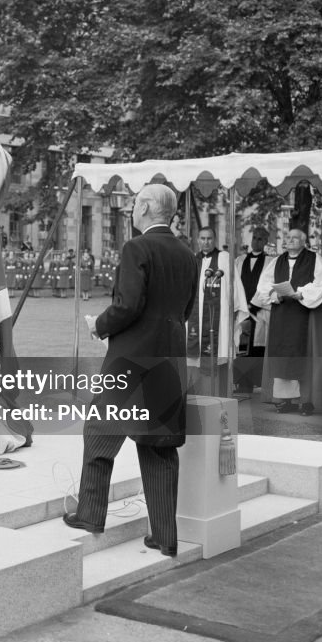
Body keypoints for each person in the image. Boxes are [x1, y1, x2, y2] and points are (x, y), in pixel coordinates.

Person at [64, 184, 198, 557]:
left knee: (99, 432)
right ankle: (164, 536)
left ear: (145, 207)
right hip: (169, 359)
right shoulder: (188, 254)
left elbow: (127, 306)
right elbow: (186, 310)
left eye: (135, 204)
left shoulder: (136, 247)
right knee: (159, 446)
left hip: (132, 360)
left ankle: (91, 514)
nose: (132, 212)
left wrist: (99, 326)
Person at [254, 228, 322, 415]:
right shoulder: (278, 260)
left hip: (305, 315)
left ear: (304, 242)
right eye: (288, 237)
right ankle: (286, 400)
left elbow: (321, 283)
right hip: (283, 314)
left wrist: (302, 293)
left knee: (307, 356)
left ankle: (307, 400)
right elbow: (264, 285)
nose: (290, 240)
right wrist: (273, 295)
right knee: (284, 356)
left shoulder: (314, 259)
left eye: (295, 238)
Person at [187, 226, 247, 396]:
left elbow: (234, 288)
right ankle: (196, 397)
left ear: (215, 240)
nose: (206, 242)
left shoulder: (224, 258)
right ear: (198, 240)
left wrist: (234, 314)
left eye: (209, 239)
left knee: (218, 354)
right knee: (194, 359)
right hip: (195, 320)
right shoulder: (193, 260)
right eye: (202, 238)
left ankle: (219, 396)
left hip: (218, 321)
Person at [234, 226, 273, 394]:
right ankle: (242, 383)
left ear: (265, 242)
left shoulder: (270, 262)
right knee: (240, 346)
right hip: (242, 310)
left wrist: (254, 304)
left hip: (259, 311)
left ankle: (255, 381)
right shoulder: (240, 260)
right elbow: (235, 283)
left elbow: (269, 286)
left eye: (260, 239)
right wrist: (241, 304)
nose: (256, 242)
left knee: (256, 347)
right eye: (254, 238)